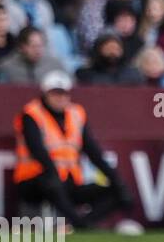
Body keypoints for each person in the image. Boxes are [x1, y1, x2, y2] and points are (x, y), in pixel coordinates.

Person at [12, 69, 133, 228]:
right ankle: (78, 224)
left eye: (63, 93)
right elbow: (37, 149)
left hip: (68, 180)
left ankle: (81, 224)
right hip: (34, 178)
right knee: (52, 185)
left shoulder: (76, 114)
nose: (60, 98)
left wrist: (117, 180)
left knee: (115, 192)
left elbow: (93, 151)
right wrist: (54, 174)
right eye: (55, 93)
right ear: (45, 94)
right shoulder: (32, 114)